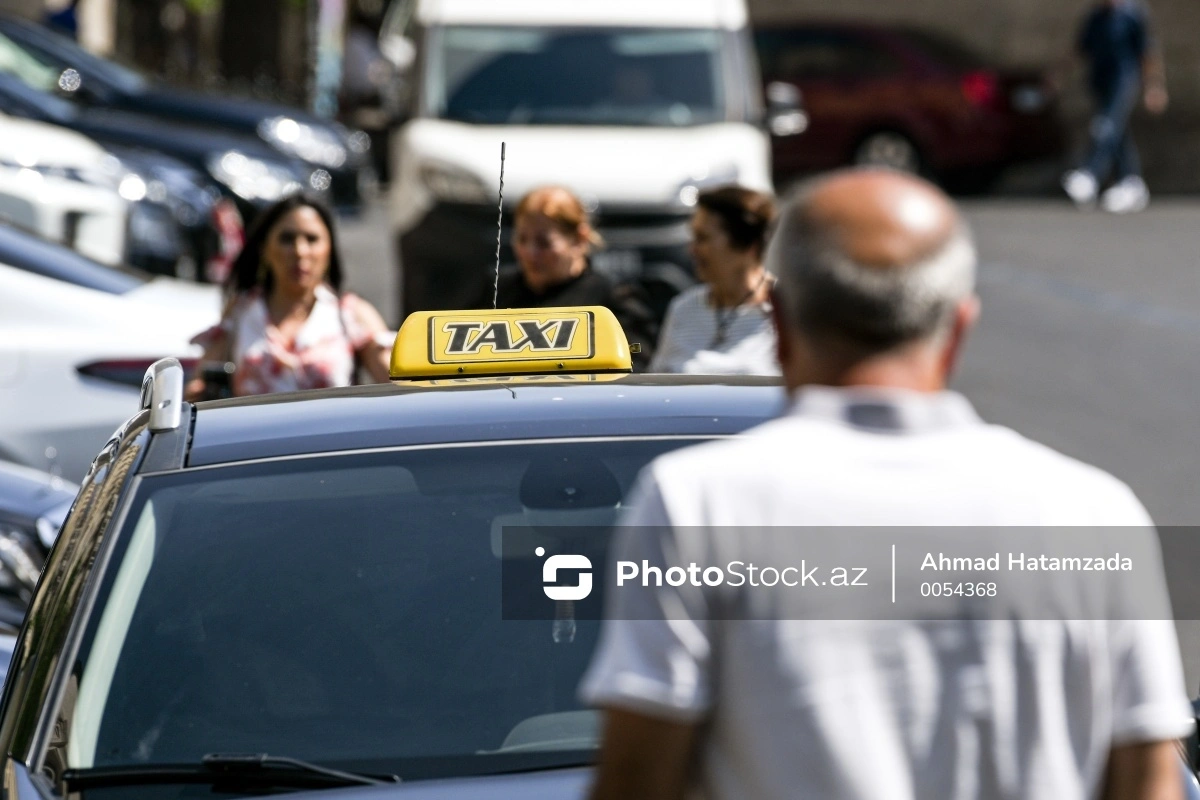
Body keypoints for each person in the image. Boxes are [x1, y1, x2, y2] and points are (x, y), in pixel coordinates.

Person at [580, 168, 1192, 800]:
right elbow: (1149, 780)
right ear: (959, 329)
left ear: (781, 328)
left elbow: (636, 778)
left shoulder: (697, 505)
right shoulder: (1091, 513)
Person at [185, 194, 391, 400]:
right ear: (264, 248)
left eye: (312, 239)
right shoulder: (241, 311)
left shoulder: (351, 315)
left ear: (329, 249)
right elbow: (198, 390)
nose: (300, 251)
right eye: (287, 239)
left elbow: (399, 389)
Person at [477, 185, 656, 367]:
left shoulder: (615, 298)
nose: (530, 253)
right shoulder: (497, 291)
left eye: (544, 243)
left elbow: (637, 355)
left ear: (579, 240)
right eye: (522, 239)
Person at [649, 185, 778, 375]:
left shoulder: (787, 311)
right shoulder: (684, 309)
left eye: (703, 238)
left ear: (747, 244)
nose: (692, 250)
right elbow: (657, 386)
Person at [1060, 0, 1167, 214]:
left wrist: (1154, 86)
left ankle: (1090, 173)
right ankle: (1131, 181)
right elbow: (1079, 48)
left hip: (1124, 80)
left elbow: (1147, 53)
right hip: (1100, 81)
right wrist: (1057, 76)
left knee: (1105, 125)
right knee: (1116, 130)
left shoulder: (1133, 14)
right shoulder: (1095, 17)